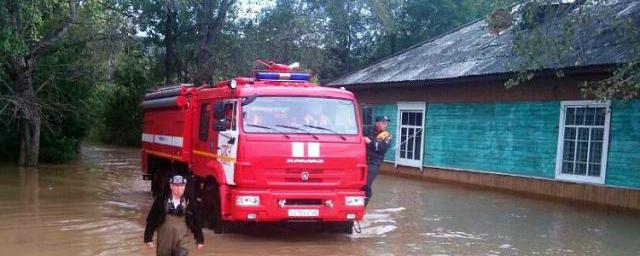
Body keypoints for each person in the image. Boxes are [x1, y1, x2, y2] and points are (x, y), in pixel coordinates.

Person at [144, 175, 204, 256]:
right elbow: (151, 219)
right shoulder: (161, 200)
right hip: (164, 242)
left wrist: (199, 239)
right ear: (171, 186)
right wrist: (148, 238)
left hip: (182, 242)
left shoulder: (189, 201)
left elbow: (196, 220)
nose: (180, 188)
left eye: (182, 185)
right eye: (177, 185)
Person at [363, 116, 392, 206]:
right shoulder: (367, 130)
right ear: (377, 123)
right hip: (361, 160)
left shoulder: (387, 136)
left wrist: (370, 142)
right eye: (383, 123)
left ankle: (364, 205)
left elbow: (382, 148)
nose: (385, 125)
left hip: (374, 163)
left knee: (366, 184)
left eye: (386, 123)